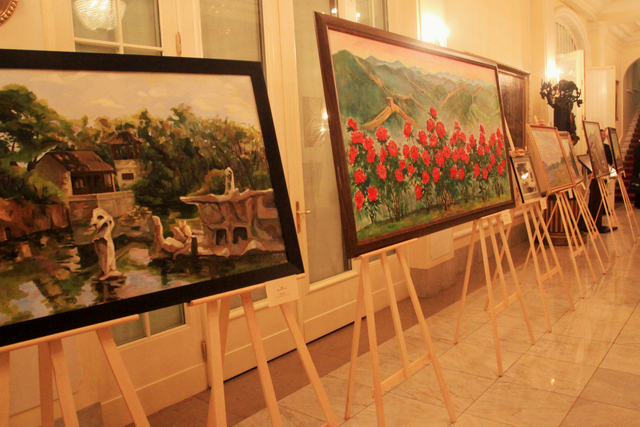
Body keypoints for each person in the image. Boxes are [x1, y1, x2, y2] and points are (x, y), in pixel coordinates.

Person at [634, 141, 640, 208]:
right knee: (638, 188)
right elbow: (638, 160)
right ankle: (638, 203)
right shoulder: (638, 146)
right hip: (638, 170)